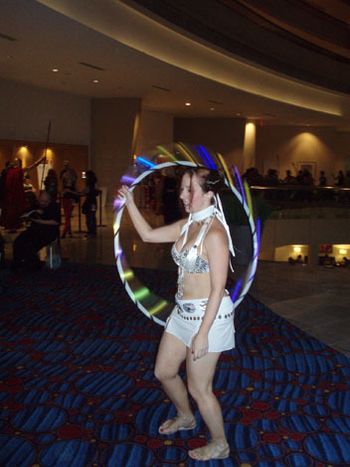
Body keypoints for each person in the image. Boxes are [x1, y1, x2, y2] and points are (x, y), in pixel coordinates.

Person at [118, 168, 236, 461]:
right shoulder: (186, 226)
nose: (182, 196)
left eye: (189, 190)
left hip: (209, 317)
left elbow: (218, 287)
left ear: (209, 194)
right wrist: (130, 202)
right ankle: (186, 417)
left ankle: (220, 443)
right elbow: (146, 235)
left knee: (200, 387)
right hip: (182, 313)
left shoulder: (216, 234)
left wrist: (203, 334)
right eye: (182, 189)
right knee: (164, 371)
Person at [12, 191, 60, 271]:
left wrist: (40, 221)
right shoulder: (36, 206)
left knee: (31, 245)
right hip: (34, 229)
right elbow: (26, 213)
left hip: (48, 231)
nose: (43, 203)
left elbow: (56, 222)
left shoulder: (54, 207)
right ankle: (18, 262)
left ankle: (33, 264)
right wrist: (27, 216)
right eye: (41, 201)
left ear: (49, 200)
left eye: (45, 201)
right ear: (39, 199)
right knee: (18, 241)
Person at [60, 161, 78, 238]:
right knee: (68, 215)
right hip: (67, 196)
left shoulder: (71, 173)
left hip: (70, 196)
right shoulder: (63, 173)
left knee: (68, 215)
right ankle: (69, 230)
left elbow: (73, 183)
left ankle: (65, 231)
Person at [81, 170, 99, 238]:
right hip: (93, 201)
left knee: (89, 217)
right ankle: (93, 231)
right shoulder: (94, 183)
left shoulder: (90, 184)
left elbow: (86, 191)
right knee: (92, 217)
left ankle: (91, 232)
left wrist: (81, 192)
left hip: (90, 202)